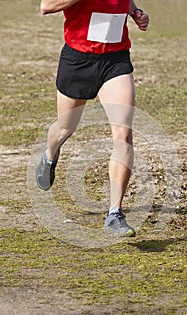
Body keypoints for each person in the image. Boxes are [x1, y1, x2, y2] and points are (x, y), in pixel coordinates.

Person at [36, 0, 149, 237]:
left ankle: (115, 213)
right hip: (78, 61)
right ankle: (50, 154)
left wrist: (135, 12)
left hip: (115, 61)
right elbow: (46, 6)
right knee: (65, 128)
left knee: (123, 133)